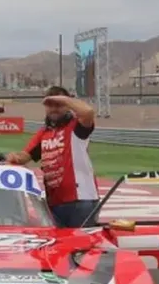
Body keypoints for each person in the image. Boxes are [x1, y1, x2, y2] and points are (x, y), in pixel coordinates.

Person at [6, 86, 99, 228]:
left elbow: (88, 112)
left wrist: (66, 99)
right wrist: (14, 157)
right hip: (54, 202)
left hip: (81, 200)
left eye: (59, 105)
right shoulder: (44, 132)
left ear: (68, 106)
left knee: (81, 246)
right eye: (50, 105)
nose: (54, 109)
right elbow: (25, 156)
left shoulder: (75, 127)